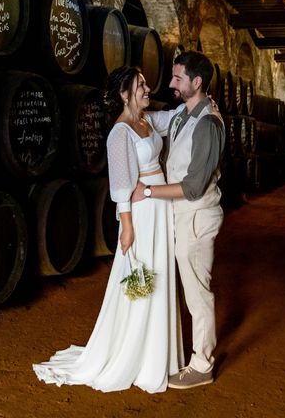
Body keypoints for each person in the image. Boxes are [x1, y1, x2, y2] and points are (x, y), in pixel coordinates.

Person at [32, 66, 182, 393]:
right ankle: (135, 354)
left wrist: (197, 103)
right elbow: (121, 186)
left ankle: (158, 353)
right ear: (123, 95)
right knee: (143, 280)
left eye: (144, 83)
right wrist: (126, 226)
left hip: (160, 206)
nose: (146, 88)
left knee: (160, 274)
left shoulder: (147, 120)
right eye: (139, 85)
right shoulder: (120, 133)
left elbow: (173, 118)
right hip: (140, 213)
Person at [133, 50, 225, 390]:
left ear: (196, 82)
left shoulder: (208, 124)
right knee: (187, 289)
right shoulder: (183, 114)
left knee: (198, 293)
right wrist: (133, 102)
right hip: (182, 217)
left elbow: (194, 186)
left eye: (177, 78)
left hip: (197, 217)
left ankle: (203, 364)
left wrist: (147, 192)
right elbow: (155, 120)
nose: (170, 83)